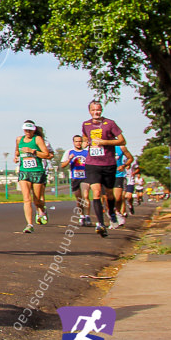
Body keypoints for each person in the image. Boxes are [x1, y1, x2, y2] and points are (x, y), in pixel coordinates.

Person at [81, 100, 126, 237]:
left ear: (102, 110)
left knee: (109, 194)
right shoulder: (86, 124)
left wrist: (104, 142)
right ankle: (100, 224)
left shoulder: (110, 123)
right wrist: (85, 143)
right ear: (90, 111)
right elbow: (84, 138)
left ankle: (111, 212)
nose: (96, 112)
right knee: (96, 192)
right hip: (92, 163)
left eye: (98, 110)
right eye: (94, 110)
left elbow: (122, 141)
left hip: (108, 163)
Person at [14, 121, 53, 232]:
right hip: (24, 172)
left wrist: (33, 151)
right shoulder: (19, 139)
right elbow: (17, 151)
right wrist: (16, 157)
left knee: (37, 200)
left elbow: (46, 154)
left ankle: (42, 209)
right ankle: (29, 225)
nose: (28, 132)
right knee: (27, 199)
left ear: (34, 130)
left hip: (37, 171)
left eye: (30, 130)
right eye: (26, 130)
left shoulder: (37, 140)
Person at [60, 135, 92, 227]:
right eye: (76, 141)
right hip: (75, 177)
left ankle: (87, 216)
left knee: (85, 196)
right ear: (73, 142)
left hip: (85, 177)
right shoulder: (69, 152)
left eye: (80, 141)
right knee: (79, 199)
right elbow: (62, 165)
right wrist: (69, 159)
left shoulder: (87, 152)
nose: (78, 143)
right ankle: (81, 216)